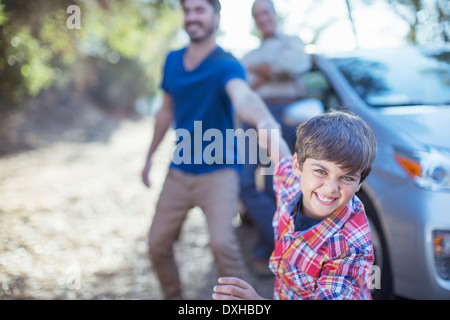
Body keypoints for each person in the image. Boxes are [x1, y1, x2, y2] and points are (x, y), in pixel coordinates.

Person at [141, 0, 290, 300]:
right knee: (157, 244)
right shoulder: (172, 61)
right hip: (180, 170)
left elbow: (243, 96)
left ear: (215, 15)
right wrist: (149, 157)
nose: (192, 16)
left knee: (223, 244)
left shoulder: (227, 64)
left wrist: (263, 121)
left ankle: (242, 303)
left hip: (220, 171)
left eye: (200, 10)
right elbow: (166, 112)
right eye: (188, 10)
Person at [212, 110, 377, 300]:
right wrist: (266, 127)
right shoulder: (292, 184)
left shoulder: (350, 247)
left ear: (359, 183)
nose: (331, 188)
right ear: (298, 167)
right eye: (321, 171)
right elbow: (279, 153)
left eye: (346, 177)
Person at [239, 0, 312, 274]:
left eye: (265, 12)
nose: (262, 18)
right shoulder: (251, 54)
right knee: (243, 182)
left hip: (286, 114)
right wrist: (270, 68)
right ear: (254, 20)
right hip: (254, 115)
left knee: (276, 185)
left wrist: (263, 70)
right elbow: (245, 84)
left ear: (274, 14)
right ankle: (285, 246)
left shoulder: (293, 41)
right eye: (257, 15)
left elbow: (296, 65)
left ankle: (267, 250)